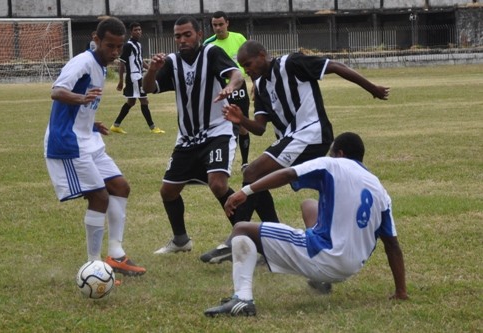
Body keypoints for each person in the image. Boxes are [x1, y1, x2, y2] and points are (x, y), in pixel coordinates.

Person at [201, 40, 391, 264]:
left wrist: (372, 89)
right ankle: (272, 243)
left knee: (252, 173)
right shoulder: (261, 86)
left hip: (312, 133)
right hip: (293, 139)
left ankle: (236, 238)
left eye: (249, 64)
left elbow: (336, 66)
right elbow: (260, 128)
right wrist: (241, 119)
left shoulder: (292, 63)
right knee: (258, 177)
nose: (247, 70)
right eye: (243, 66)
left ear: (262, 55)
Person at [204, 132, 408, 317]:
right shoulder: (379, 190)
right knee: (309, 205)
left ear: (340, 153)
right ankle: (321, 282)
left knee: (241, 229)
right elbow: (393, 246)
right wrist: (401, 292)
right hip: (350, 267)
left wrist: (245, 191)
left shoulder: (333, 165)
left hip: (324, 257)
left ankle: (242, 299)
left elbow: (288, 174)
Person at [44, 17, 146, 277]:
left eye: (119, 47)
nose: (114, 52)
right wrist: (81, 98)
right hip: (68, 142)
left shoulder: (100, 66)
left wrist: (91, 122)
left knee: (120, 187)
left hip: (88, 138)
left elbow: (82, 106)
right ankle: (93, 267)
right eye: (109, 46)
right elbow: (57, 91)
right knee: (99, 197)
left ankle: (116, 255)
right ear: (96, 39)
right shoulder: (83, 62)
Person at [142, 16, 246, 255]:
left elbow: (236, 75)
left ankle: (244, 237)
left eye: (187, 34)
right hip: (187, 138)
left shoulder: (211, 53)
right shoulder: (171, 62)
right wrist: (152, 70)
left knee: (218, 184)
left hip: (217, 131)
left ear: (199, 34)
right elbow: (148, 88)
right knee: (168, 191)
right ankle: (181, 240)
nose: (182, 40)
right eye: (178, 36)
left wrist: (230, 86)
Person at [204, 11, 250, 172]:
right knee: (223, 127)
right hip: (221, 91)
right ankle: (222, 162)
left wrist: (257, 82)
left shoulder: (239, 39)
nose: (218, 28)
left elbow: (249, 62)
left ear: (227, 23)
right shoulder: (208, 45)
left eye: (220, 24)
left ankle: (245, 162)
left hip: (240, 89)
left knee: (242, 125)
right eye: (214, 25)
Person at [110, 22, 164, 135]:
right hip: (134, 77)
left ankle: (115, 125)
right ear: (131, 32)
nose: (138, 31)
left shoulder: (138, 45)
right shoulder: (128, 45)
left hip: (139, 76)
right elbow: (122, 63)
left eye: (139, 29)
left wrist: (151, 69)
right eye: (136, 30)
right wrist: (120, 81)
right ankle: (153, 127)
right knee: (144, 100)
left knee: (131, 102)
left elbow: (140, 61)